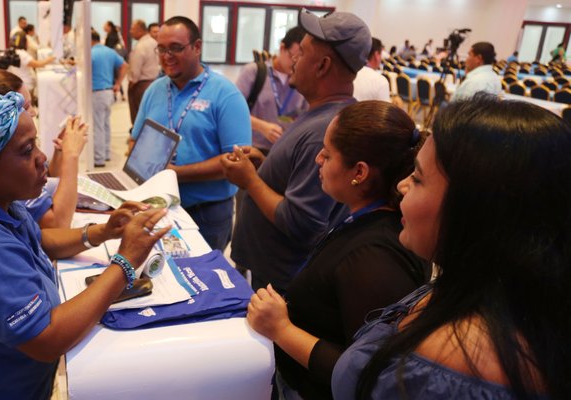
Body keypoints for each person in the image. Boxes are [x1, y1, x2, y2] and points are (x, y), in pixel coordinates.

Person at [0, 89, 170, 399]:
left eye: (36, 143)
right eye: (26, 151)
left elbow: (39, 239)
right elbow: (47, 339)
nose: (42, 158)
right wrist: (125, 264)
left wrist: (102, 231)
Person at [332, 96, 571, 400]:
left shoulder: (438, 373)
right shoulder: (495, 289)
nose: (402, 185)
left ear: (474, 211)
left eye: (417, 179)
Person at [245, 101, 430, 400]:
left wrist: (280, 328)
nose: (318, 158)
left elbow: (366, 377)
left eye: (328, 154)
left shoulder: (373, 258)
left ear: (359, 172)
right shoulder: (365, 217)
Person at [224, 10, 371, 294]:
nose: (293, 60)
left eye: (301, 53)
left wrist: (250, 181)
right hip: (270, 275)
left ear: (322, 66)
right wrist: (264, 165)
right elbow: (301, 181)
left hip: (281, 285)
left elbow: (302, 224)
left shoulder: (324, 131)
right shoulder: (317, 113)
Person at [131, 16, 251, 251]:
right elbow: (136, 140)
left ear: (197, 47)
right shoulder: (154, 90)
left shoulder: (225, 94)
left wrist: (176, 174)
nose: (167, 55)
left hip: (207, 213)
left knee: (202, 281)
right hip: (157, 208)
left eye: (176, 48)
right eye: (162, 48)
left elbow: (238, 161)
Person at [0, 69, 79, 228]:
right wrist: (71, 155)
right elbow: (57, 225)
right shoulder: (10, 169)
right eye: (26, 107)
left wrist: (61, 150)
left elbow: (47, 174)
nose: (33, 112)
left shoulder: (0, 153)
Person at [235, 26, 307, 155]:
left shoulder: (303, 80)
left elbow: (305, 116)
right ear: (282, 48)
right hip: (252, 150)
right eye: (293, 57)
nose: (296, 63)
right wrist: (262, 127)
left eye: (301, 59)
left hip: (285, 153)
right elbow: (233, 112)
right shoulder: (253, 72)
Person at [91, 29, 128, 167]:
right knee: (105, 124)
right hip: (109, 92)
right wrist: (118, 83)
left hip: (97, 92)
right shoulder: (109, 51)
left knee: (98, 126)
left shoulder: (90, 53)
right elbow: (124, 65)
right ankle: (106, 153)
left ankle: (99, 158)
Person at [127, 19, 160, 124]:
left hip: (141, 85)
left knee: (139, 116)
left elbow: (135, 71)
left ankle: (137, 138)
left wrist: (131, 84)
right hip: (154, 82)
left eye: (132, 29)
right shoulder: (154, 43)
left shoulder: (141, 46)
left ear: (139, 30)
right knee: (150, 115)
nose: (130, 31)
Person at [8, 31, 55, 99]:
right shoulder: (22, 54)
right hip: (26, 85)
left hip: (19, 83)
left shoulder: (12, 53)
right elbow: (37, 64)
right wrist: (51, 58)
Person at [353, 37, 391, 102]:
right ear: (376, 55)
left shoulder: (349, 73)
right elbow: (384, 111)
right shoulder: (380, 81)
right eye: (380, 54)